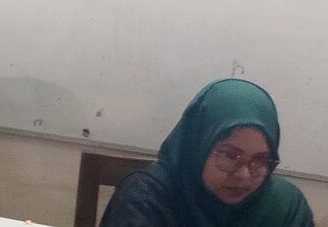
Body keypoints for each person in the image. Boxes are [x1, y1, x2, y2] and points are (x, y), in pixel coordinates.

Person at [100, 78, 313, 226]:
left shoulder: (287, 207)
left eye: (261, 160)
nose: (244, 174)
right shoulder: (146, 199)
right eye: (230, 155)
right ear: (197, 146)